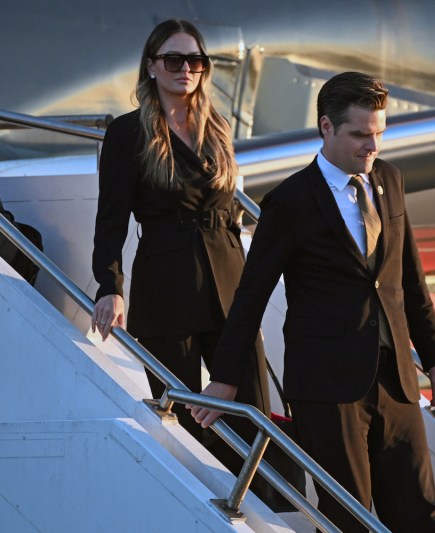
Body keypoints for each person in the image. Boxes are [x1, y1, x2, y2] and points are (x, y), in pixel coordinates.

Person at [191, 71, 435, 531]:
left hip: (394, 380)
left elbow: (408, 278)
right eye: (360, 134)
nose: (372, 146)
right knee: (345, 518)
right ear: (327, 128)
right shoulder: (290, 201)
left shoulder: (389, 181)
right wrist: (226, 379)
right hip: (325, 388)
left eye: (379, 133)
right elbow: (251, 296)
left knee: (420, 513)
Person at [90, 18, 272, 502]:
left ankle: (269, 509)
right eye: (173, 59)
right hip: (167, 287)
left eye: (195, 60)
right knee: (186, 423)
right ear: (151, 66)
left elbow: (230, 210)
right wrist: (110, 286)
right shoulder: (129, 134)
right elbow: (111, 220)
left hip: (231, 285)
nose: (185, 69)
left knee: (253, 411)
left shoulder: (218, 126)